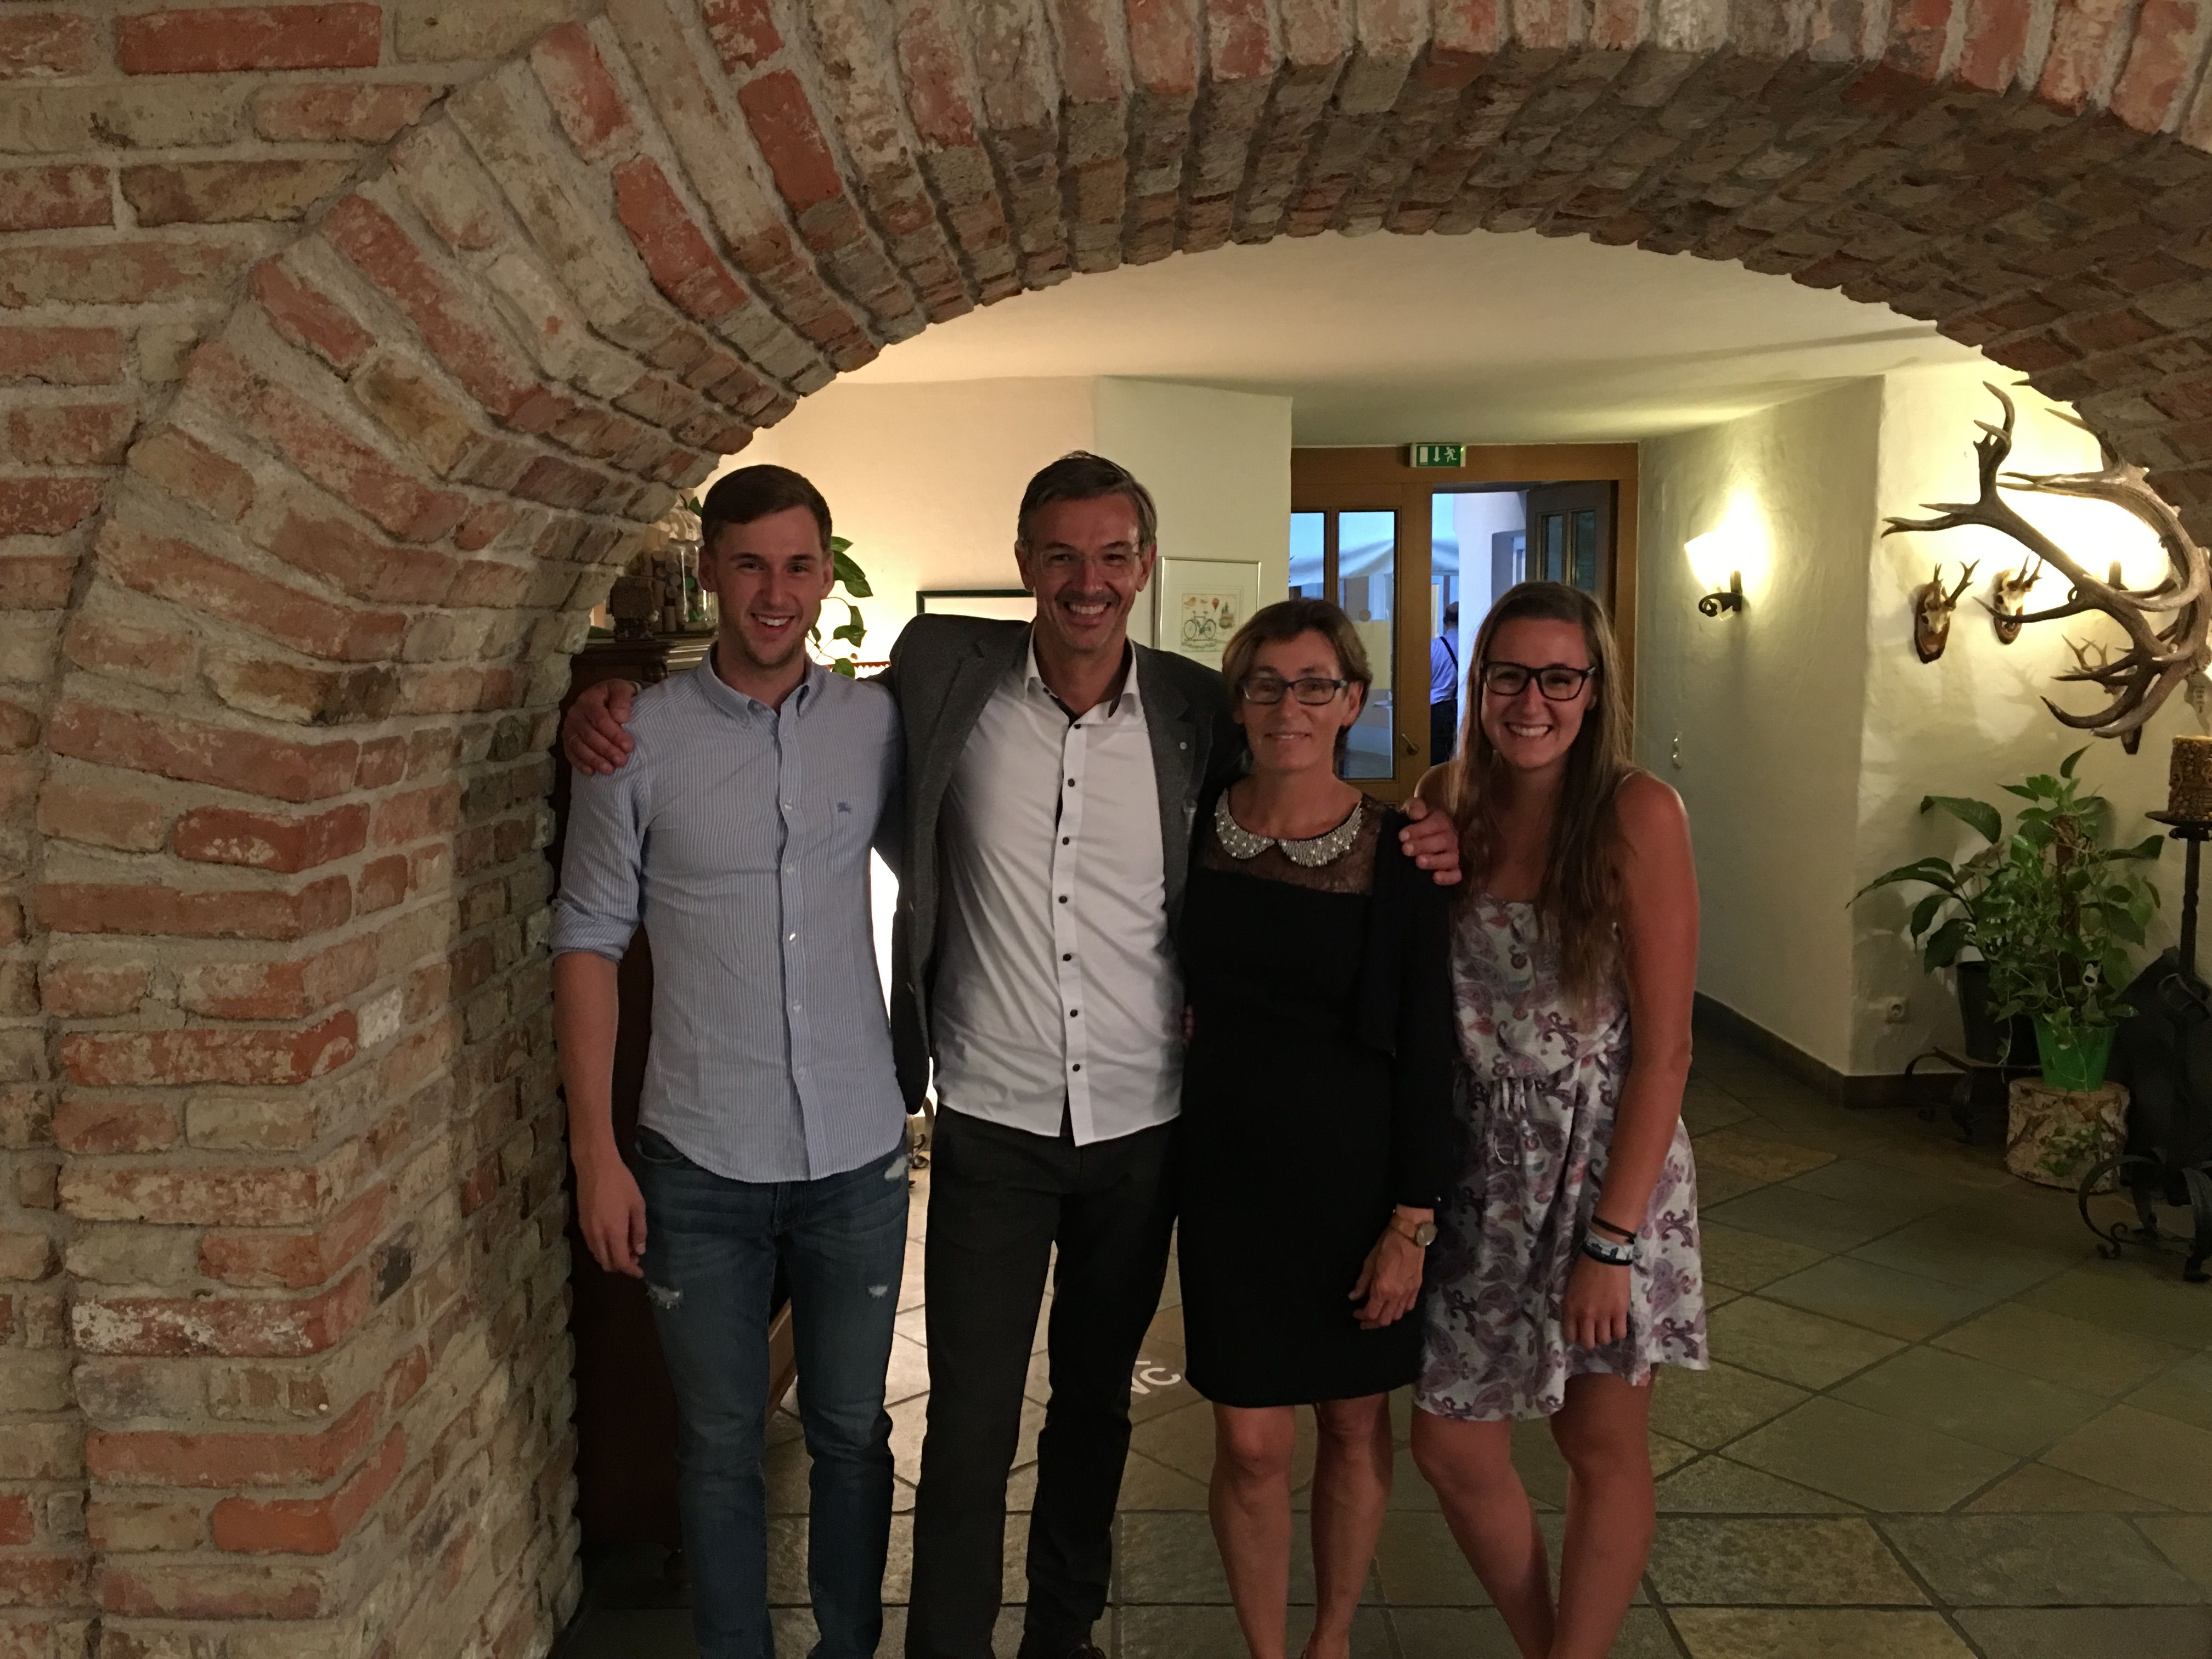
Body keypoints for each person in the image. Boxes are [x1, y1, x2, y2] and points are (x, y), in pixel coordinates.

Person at [563, 452, 1465, 1659]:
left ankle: (1062, 1636)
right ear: (1026, 562)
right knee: (971, 1422)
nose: (1086, 582)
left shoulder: (1201, 708)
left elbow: (1296, 798)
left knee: (1095, 1409)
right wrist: (603, 705)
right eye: (1060, 555)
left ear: (1145, 565)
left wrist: (1429, 822)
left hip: (1145, 1128)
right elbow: (779, 747)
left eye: (1113, 555)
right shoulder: (942, 675)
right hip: (988, 1117)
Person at [551, 465, 910, 1659]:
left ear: (825, 574)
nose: (776, 592)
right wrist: (595, 1153)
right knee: (715, 1449)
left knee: (855, 1434)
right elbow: (590, 941)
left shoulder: (876, 723)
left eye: (799, 566)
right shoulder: (633, 740)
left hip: (858, 1150)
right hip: (696, 1159)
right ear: (707, 570)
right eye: (750, 564)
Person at [1408, 581, 1706, 1659]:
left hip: (1601, 1169)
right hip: (1481, 1173)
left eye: (1559, 678)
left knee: (1598, 1439)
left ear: (1594, 690)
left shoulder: (1638, 812)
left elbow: (1666, 1049)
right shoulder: (1444, 795)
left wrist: (1611, 1244)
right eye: (1509, 676)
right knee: (1450, 1442)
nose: (1532, 701)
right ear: (1477, 682)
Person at [1177, 598, 1453, 1659]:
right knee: (1249, 1439)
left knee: (1349, 1421)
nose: (1288, 705)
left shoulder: (1403, 854)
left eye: (1313, 684)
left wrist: (1411, 1219)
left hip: (1356, 1181)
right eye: (1264, 683)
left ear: (1353, 701)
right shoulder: (1193, 824)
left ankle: (1330, 1637)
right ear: (1237, 699)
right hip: (1228, 1177)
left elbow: (1428, 1046)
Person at [1429, 600, 1461, 764]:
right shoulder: (1470, 646)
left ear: (1445, 621)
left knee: (1435, 758)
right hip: (1460, 707)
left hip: (1436, 710)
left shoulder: (1434, 647)